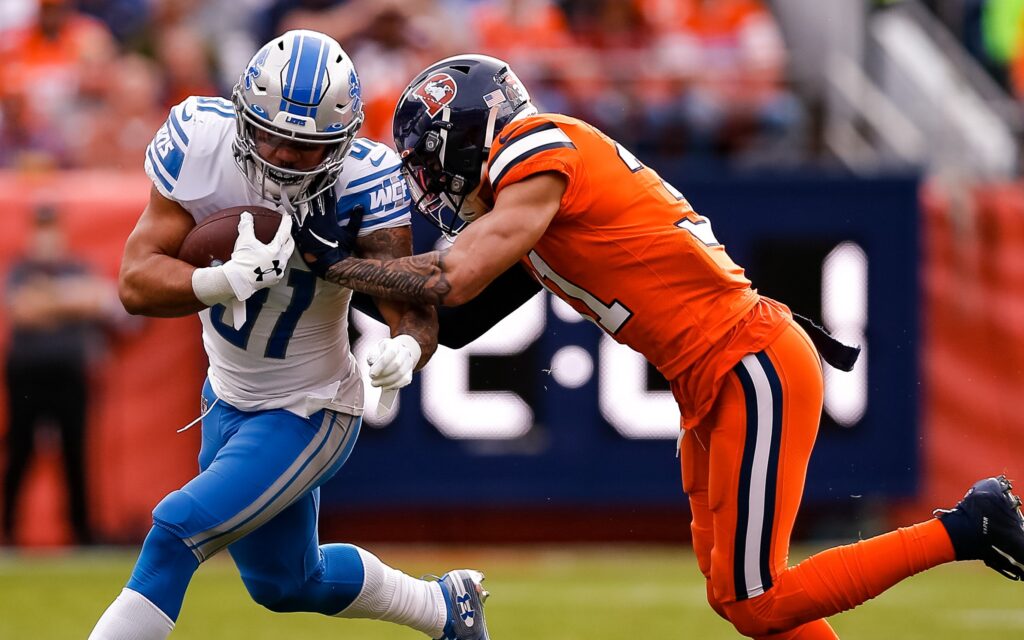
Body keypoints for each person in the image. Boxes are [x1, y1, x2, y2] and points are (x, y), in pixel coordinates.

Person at [295, 54, 1024, 639]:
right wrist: (329, 278)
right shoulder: (533, 197)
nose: (428, 181)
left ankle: (968, 527)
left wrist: (328, 261)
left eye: (429, 158)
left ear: (469, 132)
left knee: (758, 597)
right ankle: (967, 527)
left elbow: (452, 277)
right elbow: (453, 323)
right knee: (738, 596)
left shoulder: (537, 150)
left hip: (749, 361)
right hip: (713, 378)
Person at [88, 31, 490, 640]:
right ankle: (446, 609)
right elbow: (136, 282)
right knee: (286, 583)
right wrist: (221, 279)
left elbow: (410, 304)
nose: (279, 155)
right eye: (269, 133)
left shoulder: (364, 179)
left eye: (304, 147)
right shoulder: (200, 136)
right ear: (242, 113)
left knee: (175, 529)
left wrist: (405, 348)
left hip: (310, 407)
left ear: (341, 140)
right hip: (225, 399)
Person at [3, 205, 120, 546]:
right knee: (20, 451)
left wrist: (48, 297)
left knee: (76, 452)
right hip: (26, 373)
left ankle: (81, 532)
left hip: (70, 373)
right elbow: (22, 311)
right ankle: (9, 531)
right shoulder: (20, 269)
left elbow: (99, 301)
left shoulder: (77, 266)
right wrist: (69, 300)